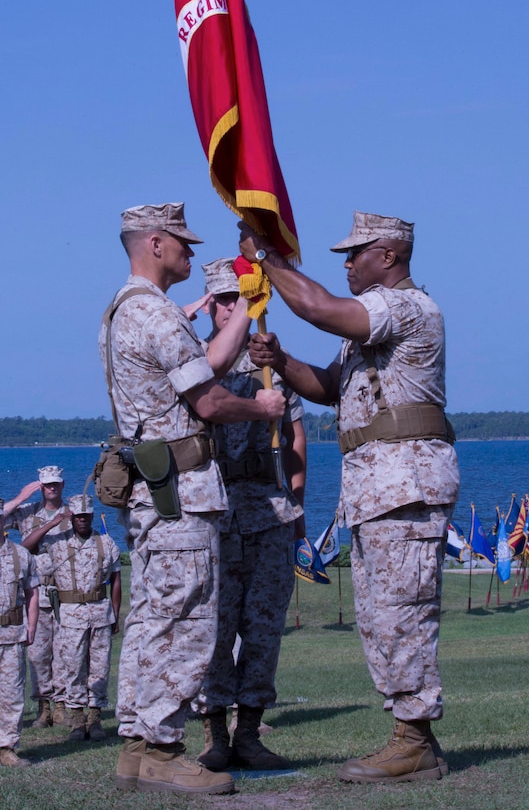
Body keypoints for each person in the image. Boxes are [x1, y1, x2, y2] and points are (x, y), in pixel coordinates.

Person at [239, 211, 460, 784]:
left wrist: (268, 259)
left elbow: (317, 306)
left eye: (355, 254)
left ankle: (415, 740)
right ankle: (409, 737)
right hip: (376, 490)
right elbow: (331, 389)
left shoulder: (406, 307)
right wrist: (281, 362)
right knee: (379, 617)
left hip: (405, 487)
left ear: (388, 255)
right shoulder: (370, 330)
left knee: (402, 613)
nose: (346, 264)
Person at [99, 202, 286, 796]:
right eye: (181, 241)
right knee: (185, 620)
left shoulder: (124, 309)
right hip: (180, 491)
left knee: (157, 615)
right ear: (154, 243)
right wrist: (261, 408)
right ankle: (163, 749)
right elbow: (207, 399)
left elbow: (203, 365)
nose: (189, 250)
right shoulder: (154, 312)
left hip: (160, 493)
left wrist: (249, 307)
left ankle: (137, 745)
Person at [196, 259, 306, 771]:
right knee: (215, 630)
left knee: (263, 628)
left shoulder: (269, 361)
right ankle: (215, 734)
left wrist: (298, 500)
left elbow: (298, 439)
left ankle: (251, 733)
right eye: (218, 299)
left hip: (269, 509)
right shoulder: (196, 363)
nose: (226, 308)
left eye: (235, 298)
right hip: (217, 514)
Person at [42, 494, 121, 742]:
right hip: (71, 616)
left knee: (99, 667)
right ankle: (77, 717)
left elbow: (116, 580)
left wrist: (116, 615)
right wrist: (55, 521)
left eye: (86, 516)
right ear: (72, 518)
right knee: (73, 666)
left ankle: (95, 717)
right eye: (78, 517)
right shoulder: (57, 544)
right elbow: (27, 547)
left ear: (92, 516)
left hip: (100, 612)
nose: (82, 520)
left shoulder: (106, 543)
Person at [7, 466, 72, 729]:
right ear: (41, 486)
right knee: (38, 655)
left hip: (66, 594)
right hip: (37, 594)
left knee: (65, 653)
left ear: (62, 484)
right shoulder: (27, 513)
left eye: (56, 484)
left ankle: (63, 706)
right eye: (47, 485)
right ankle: (44, 707)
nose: (52, 488)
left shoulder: (73, 514)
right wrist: (20, 498)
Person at [0, 495, 39, 767]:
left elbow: (32, 593)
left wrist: (32, 626)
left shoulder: (20, 554)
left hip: (13, 633)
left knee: (12, 693)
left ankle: (6, 748)